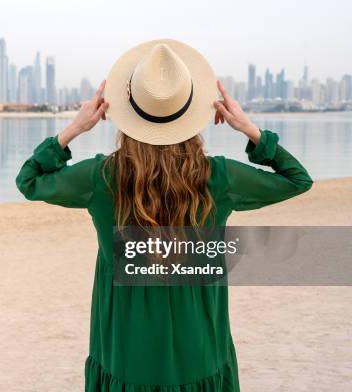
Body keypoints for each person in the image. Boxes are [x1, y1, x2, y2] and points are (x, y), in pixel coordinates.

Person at [16, 39, 312, 391]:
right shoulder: (218, 178)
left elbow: (29, 181)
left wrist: (75, 129)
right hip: (201, 354)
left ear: (127, 114)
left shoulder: (102, 179)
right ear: (191, 114)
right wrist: (250, 130)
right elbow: (297, 179)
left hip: (125, 356)